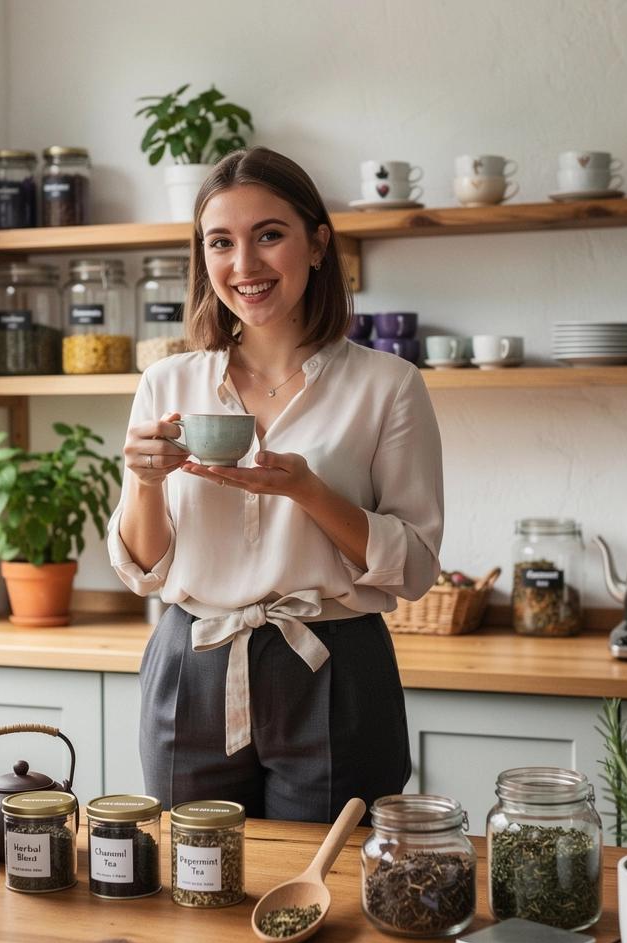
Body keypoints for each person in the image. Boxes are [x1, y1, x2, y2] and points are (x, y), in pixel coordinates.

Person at [107, 147, 443, 823]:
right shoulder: (167, 384)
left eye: (269, 235)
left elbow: (415, 569)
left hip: (334, 665)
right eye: (221, 243)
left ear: (318, 243)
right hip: (193, 662)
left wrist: (309, 493)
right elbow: (142, 571)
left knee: (331, 892)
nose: (245, 266)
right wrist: (144, 482)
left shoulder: (388, 386)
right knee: (193, 883)